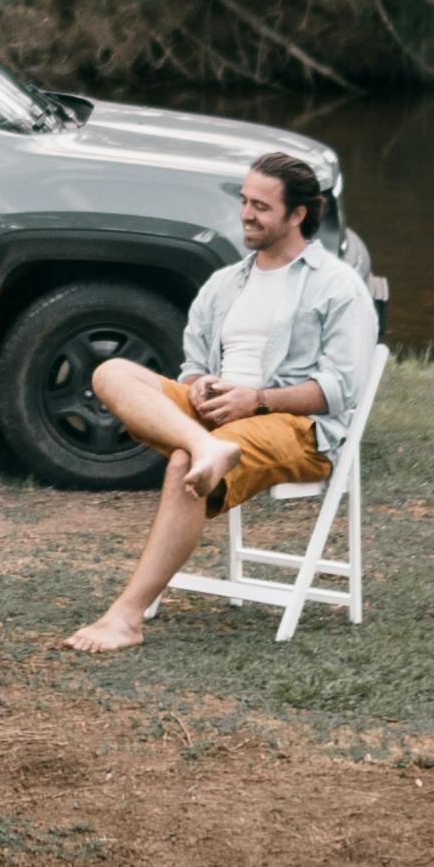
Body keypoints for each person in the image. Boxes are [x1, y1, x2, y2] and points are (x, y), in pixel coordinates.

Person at [64, 151, 378, 658]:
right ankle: (205, 446)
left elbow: (341, 389)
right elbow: (192, 365)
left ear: (298, 215)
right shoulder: (225, 282)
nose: (247, 214)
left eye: (261, 206)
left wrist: (254, 400)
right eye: (244, 201)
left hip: (297, 427)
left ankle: (126, 616)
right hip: (216, 423)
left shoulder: (336, 286)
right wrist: (198, 388)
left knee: (186, 466)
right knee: (111, 372)